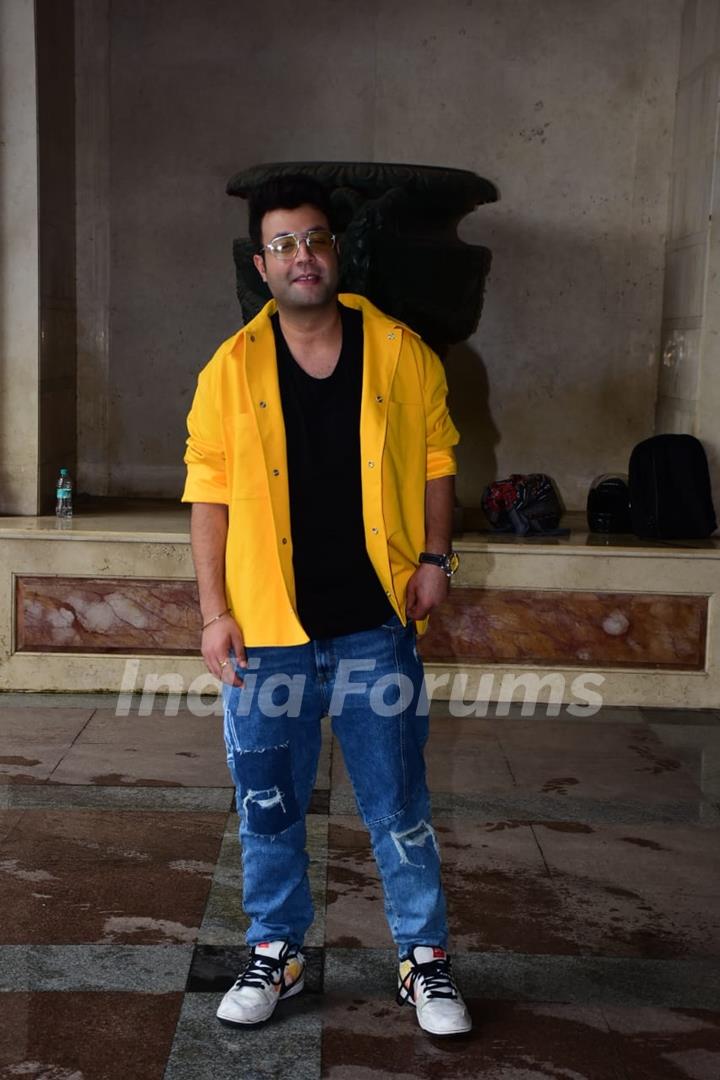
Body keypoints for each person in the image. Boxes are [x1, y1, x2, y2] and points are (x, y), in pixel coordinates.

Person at [182, 175, 471, 1037]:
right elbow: (209, 498)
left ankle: (425, 961)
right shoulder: (228, 370)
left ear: (334, 251)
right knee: (267, 807)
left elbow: (436, 460)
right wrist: (212, 612)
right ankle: (278, 949)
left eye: (312, 239)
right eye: (281, 244)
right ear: (260, 264)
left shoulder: (400, 351)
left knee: (397, 805)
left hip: (374, 625)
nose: (299, 256)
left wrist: (434, 557)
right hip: (265, 634)